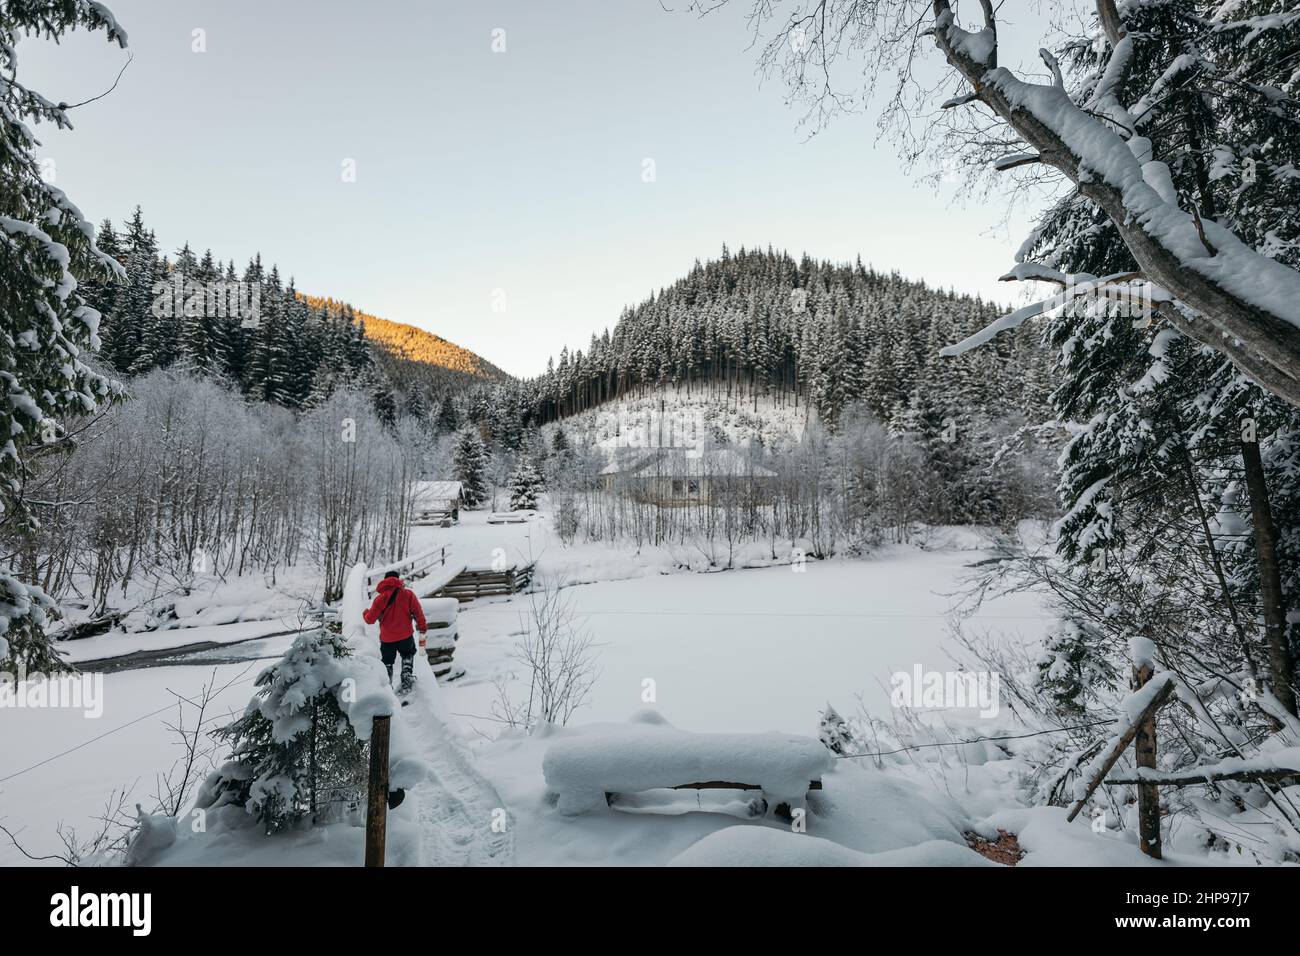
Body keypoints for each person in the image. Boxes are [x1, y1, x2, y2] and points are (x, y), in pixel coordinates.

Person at [363, 571, 427, 692]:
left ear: (385, 581)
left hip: (387, 639)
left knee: (387, 662)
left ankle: (387, 687)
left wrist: (365, 612)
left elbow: (370, 620)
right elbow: (418, 613)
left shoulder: (379, 599)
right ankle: (406, 676)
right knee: (408, 655)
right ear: (398, 580)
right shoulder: (408, 595)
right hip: (405, 635)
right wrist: (423, 627)